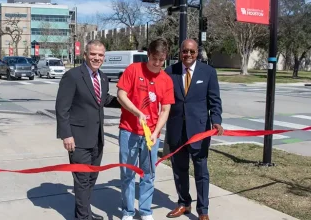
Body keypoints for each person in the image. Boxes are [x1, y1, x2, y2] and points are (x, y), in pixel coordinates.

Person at [55, 39, 120, 220]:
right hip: (78, 138)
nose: (96, 58)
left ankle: (84, 213)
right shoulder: (73, 76)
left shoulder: (103, 77)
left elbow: (104, 99)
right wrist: (66, 135)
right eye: (93, 54)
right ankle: (83, 217)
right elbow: (62, 108)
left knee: (91, 179)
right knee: (82, 180)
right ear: (85, 55)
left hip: (97, 139)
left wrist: (124, 101)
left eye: (100, 55)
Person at [164, 39, 224, 220]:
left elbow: (215, 100)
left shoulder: (208, 72)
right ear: (180, 52)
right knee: (179, 169)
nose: (188, 55)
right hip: (176, 129)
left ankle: (203, 210)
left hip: (199, 130)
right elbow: (163, 101)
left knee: (201, 171)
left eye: (192, 51)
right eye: (185, 51)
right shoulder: (169, 72)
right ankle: (184, 203)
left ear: (197, 52)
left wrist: (216, 120)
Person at [116, 37, 175, 220]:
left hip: (151, 135)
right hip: (129, 131)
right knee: (128, 173)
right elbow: (120, 95)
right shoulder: (133, 70)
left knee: (148, 174)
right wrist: (136, 112)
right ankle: (127, 211)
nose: (157, 63)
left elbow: (165, 109)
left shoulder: (166, 80)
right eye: (154, 58)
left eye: (161, 60)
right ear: (148, 55)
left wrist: (156, 132)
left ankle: (146, 211)